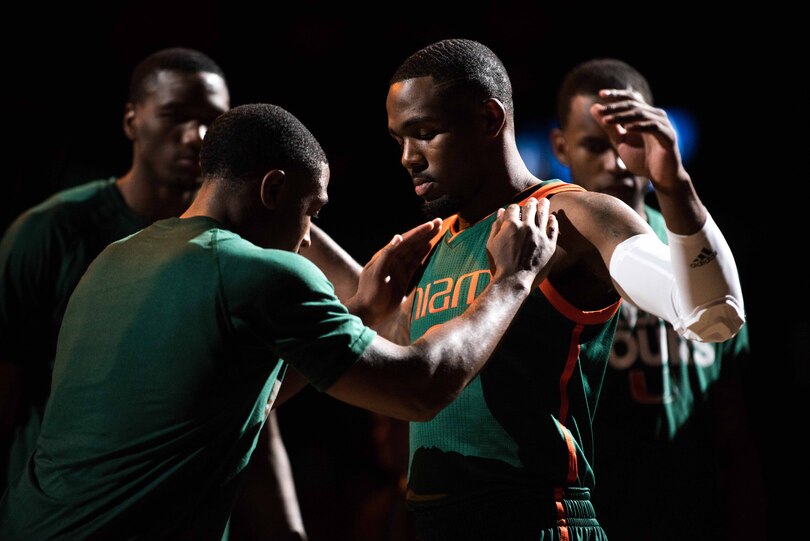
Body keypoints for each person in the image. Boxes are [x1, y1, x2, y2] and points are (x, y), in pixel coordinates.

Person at [0, 102, 560, 539]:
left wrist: (364, 309)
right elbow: (421, 387)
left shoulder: (112, 260)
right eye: (311, 211)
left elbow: (236, 402)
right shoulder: (262, 273)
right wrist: (512, 278)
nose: (307, 238)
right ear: (272, 190)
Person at [382, 38, 745, 540]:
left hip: (540, 518)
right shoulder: (428, 245)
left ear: (489, 119)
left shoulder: (570, 217)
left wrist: (674, 184)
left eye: (425, 134)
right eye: (399, 140)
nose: (408, 158)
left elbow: (710, 312)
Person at [0, 47, 305, 540]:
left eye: (212, 121)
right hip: (73, 516)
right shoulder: (52, 233)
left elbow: (249, 398)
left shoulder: (240, 242)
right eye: (175, 116)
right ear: (131, 120)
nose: (196, 136)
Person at [550, 58, 765, 541]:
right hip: (593, 517)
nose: (617, 162)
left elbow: (733, 409)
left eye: (630, 143)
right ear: (560, 146)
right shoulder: (550, 254)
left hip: (696, 512)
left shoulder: (699, 250)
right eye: (595, 145)